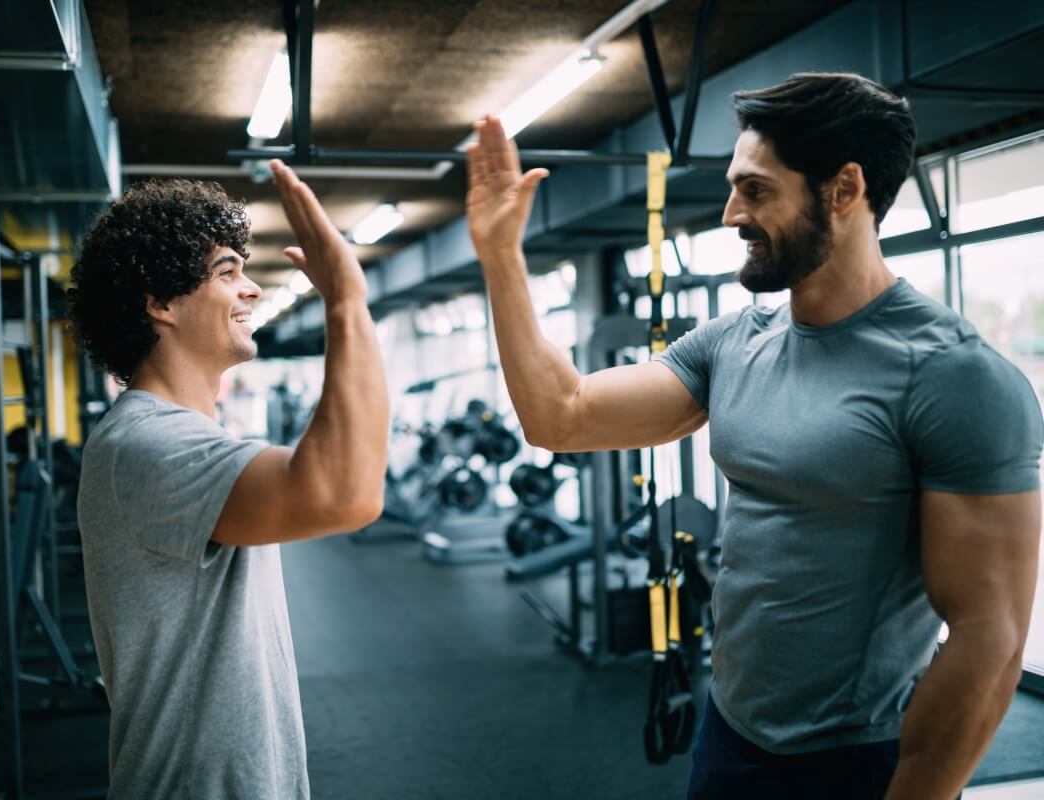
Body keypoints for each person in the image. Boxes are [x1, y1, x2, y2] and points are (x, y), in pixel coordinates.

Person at [465, 72, 1042, 799]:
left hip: (854, 760)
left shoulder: (952, 375)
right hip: (729, 732)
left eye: (756, 190)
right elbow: (563, 415)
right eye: (735, 188)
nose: (732, 213)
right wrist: (501, 259)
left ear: (845, 189)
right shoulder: (735, 342)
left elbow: (989, 640)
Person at [66, 165, 387, 799]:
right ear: (161, 303)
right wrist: (347, 302)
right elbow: (344, 495)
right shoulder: (145, 445)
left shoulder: (170, 435)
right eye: (226, 272)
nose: (252, 289)